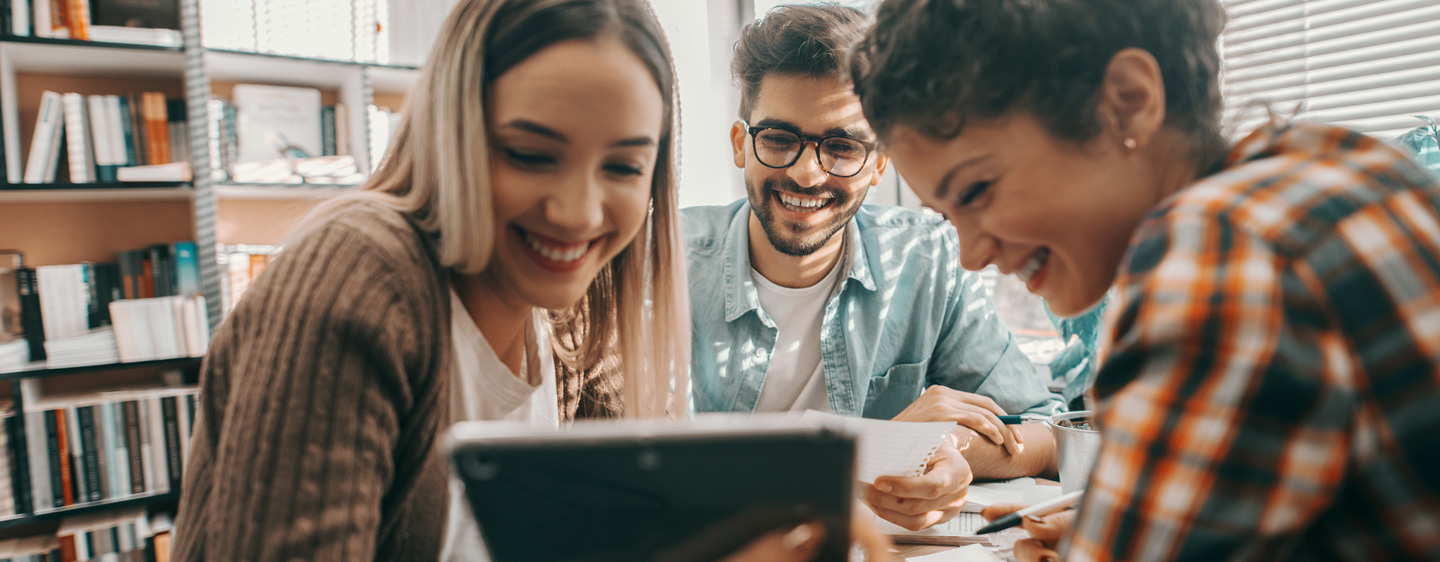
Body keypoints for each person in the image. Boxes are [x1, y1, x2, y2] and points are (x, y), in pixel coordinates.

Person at [850, 0, 1440, 560]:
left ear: (1127, 104)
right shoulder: (1348, 167)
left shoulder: (1220, 252)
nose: (972, 256)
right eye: (950, 217)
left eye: (977, 191)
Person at [171, 0, 697, 560]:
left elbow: (669, 512)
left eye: (623, 167)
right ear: (454, 133)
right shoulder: (360, 275)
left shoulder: (573, 319)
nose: (578, 213)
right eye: (529, 155)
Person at [683, 4, 1065, 532]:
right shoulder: (666, 266)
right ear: (740, 146)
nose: (807, 172)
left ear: (879, 163)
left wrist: (948, 449)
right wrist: (876, 449)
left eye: (840, 147)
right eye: (777, 139)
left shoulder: (927, 258)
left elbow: (1044, 430)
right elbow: (645, 468)